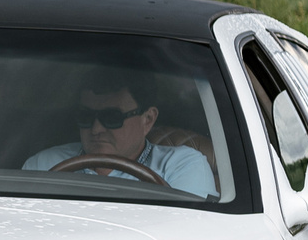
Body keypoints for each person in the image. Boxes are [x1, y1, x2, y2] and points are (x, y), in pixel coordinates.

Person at [22, 74, 217, 196]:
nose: (96, 129)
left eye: (112, 117)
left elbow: (187, 234)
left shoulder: (182, 167)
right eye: (86, 116)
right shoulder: (44, 165)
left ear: (147, 119)